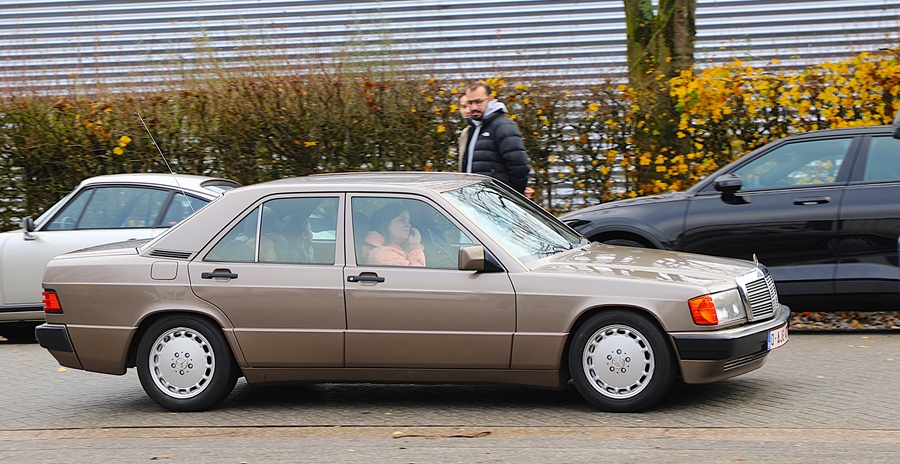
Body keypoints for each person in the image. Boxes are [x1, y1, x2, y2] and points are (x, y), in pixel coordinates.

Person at [459, 82, 531, 195]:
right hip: (476, 198)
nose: (474, 107)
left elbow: (519, 166)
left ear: (490, 99)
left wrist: (513, 196)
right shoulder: (473, 128)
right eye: (470, 103)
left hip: (496, 199)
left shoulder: (503, 126)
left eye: (478, 102)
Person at [409, 202, 457, 269]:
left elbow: (453, 257)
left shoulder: (435, 231)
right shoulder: (411, 237)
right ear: (416, 208)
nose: (437, 211)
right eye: (431, 206)